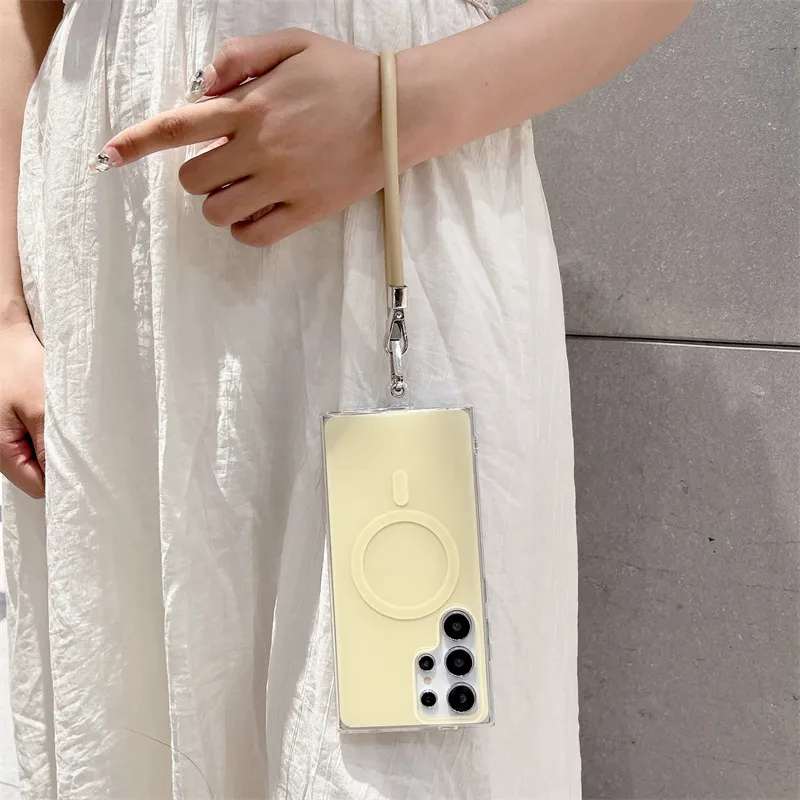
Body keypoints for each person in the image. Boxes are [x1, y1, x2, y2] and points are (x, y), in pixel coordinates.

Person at [0, 1, 693, 797]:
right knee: (127, 729)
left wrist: (393, 105)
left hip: (391, 211)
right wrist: (4, 315)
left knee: (397, 742)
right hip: (105, 284)